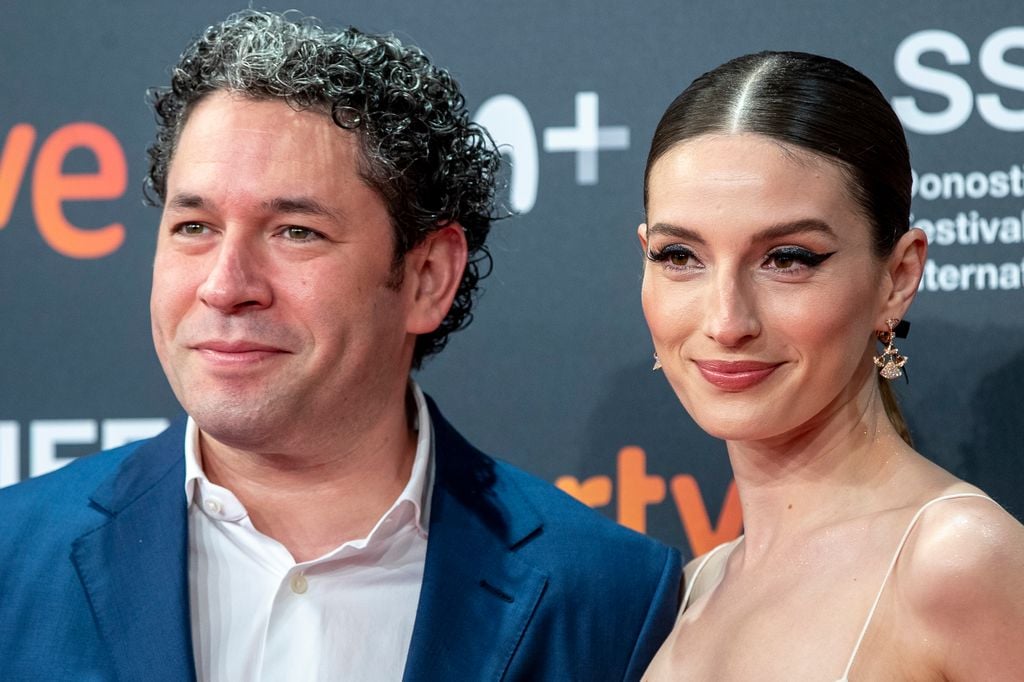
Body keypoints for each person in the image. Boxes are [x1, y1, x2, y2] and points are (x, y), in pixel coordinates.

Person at [0, 10, 681, 681]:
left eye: (295, 231)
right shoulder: (12, 557)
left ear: (426, 277)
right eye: (194, 226)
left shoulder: (607, 597)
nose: (225, 285)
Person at [637, 51, 1024, 681]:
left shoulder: (954, 561)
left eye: (788, 257)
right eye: (680, 256)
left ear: (897, 278)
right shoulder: (689, 593)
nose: (727, 321)